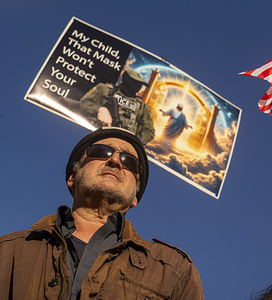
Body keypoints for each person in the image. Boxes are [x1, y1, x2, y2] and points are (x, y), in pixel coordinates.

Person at [0, 127, 204, 299]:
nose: (115, 161)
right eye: (100, 151)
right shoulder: (8, 251)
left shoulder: (174, 271)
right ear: (72, 176)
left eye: (129, 161)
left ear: (135, 197)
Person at [80, 69, 155, 145]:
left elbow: (149, 132)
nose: (139, 86)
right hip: (97, 137)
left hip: (121, 146)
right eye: (136, 83)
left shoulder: (142, 107)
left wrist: (132, 142)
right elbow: (85, 102)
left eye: (140, 84)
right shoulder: (104, 89)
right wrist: (100, 109)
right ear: (127, 79)